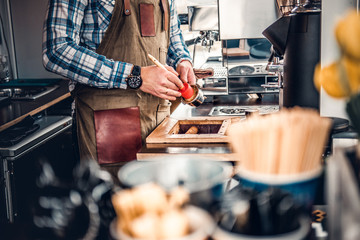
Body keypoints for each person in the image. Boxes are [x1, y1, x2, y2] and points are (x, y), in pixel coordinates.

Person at [42, 0, 196, 176]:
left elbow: (173, 37)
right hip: (109, 127)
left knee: (157, 198)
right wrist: (135, 76)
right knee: (114, 199)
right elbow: (56, 51)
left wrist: (182, 60)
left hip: (158, 123)